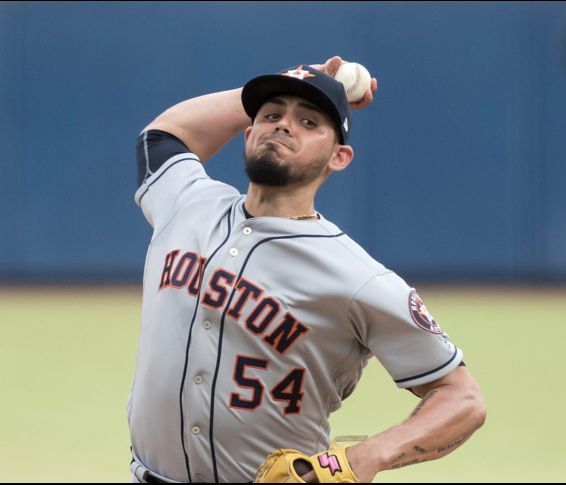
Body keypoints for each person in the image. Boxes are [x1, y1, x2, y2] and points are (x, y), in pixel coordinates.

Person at [128, 56, 486, 483]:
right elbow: (165, 134)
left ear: (340, 157)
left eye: (309, 122)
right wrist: (297, 75)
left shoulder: (357, 278)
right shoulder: (186, 203)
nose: (283, 125)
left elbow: (462, 399)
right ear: (248, 134)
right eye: (271, 115)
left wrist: (361, 459)